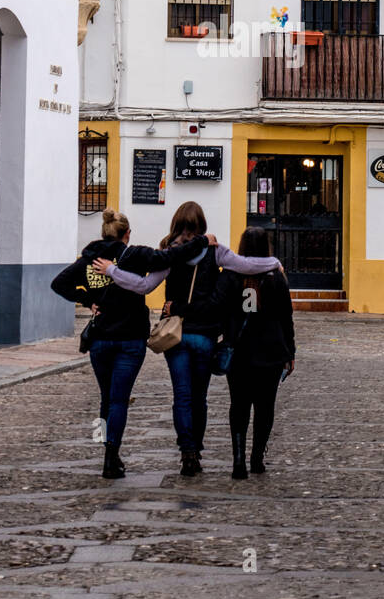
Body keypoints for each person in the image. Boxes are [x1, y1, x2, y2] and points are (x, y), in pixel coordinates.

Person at [103, 201, 281, 477]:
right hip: (205, 336)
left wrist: (112, 271)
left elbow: (143, 285)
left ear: (176, 224)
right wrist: (274, 262)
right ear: (202, 225)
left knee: (182, 397)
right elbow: (246, 265)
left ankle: (187, 451)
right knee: (200, 397)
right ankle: (196, 447)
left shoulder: (169, 255)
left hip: (176, 335)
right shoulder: (214, 251)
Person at [50, 208, 207, 479]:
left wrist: (89, 301)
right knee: (119, 400)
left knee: (105, 398)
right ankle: (112, 455)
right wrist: (202, 241)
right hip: (130, 339)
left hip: (100, 340)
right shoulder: (134, 255)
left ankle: (103, 446)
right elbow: (170, 256)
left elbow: (59, 284)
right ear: (127, 234)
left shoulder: (89, 260)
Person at [214, 227, 295, 480]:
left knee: (238, 405)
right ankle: (257, 458)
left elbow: (218, 309)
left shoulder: (229, 275)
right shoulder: (276, 276)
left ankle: (238, 460)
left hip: (238, 352)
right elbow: (286, 317)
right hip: (270, 352)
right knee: (265, 407)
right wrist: (290, 351)